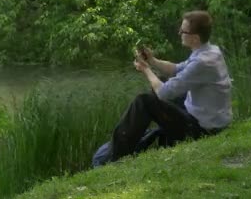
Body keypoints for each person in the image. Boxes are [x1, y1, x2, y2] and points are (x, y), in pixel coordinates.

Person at [92, 10, 232, 166]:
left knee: (144, 101)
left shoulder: (202, 63)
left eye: (183, 31)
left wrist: (146, 70)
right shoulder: (210, 51)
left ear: (195, 38)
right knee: (164, 81)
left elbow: (164, 93)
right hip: (209, 119)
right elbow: (177, 69)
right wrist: (152, 60)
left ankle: (115, 156)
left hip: (202, 130)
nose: (179, 33)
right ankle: (155, 135)